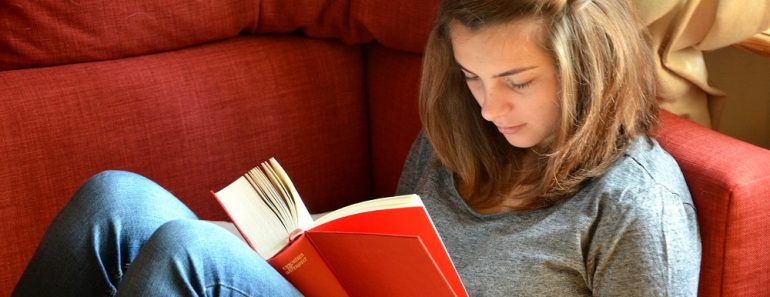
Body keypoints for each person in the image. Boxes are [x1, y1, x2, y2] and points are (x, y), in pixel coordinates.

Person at [13, 0, 700, 296]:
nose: (489, 108)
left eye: (516, 82)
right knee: (115, 200)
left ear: (587, 66)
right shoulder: (457, 133)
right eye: (472, 78)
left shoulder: (638, 203)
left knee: (185, 257)